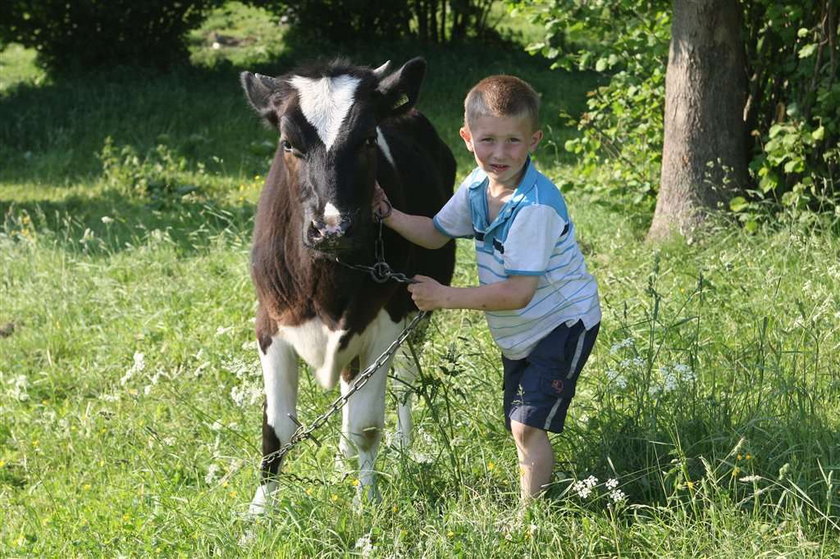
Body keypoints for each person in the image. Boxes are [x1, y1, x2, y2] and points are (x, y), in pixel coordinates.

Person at [373, 75, 601, 502]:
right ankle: (533, 496)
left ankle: (530, 519)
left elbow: (518, 293)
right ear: (466, 137)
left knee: (526, 425)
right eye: (488, 139)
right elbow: (436, 233)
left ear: (534, 140)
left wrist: (445, 296)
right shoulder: (478, 187)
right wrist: (387, 214)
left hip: (562, 322)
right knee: (518, 419)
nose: (499, 153)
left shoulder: (534, 208)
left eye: (513, 141)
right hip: (520, 329)